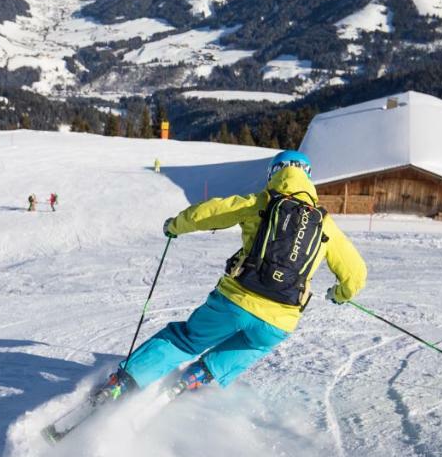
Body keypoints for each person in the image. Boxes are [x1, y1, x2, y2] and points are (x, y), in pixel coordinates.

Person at [98, 150, 366, 400]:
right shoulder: (325, 223)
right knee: (255, 345)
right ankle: (198, 375)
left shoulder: (262, 202)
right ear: (308, 177)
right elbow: (356, 274)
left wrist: (175, 226)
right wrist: (339, 295)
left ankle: (122, 384)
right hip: (280, 320)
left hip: (236, 301)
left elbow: (210, 212)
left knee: (186, 339)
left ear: (274, 174)